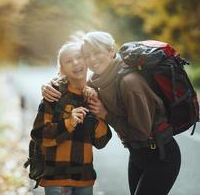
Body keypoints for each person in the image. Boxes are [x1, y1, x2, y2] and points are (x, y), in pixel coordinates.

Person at [41, 31, 181, 195]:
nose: (92, 59)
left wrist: (105, 114)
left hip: (161, 156)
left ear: (111, 51)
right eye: (87, 55)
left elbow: (141, 133)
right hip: (137, 155)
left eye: (97, 52)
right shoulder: (100, 80)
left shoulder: (130, 83)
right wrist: (49, 86)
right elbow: (74, 84)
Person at [31, 41, 111, 195]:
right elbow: (39, 134)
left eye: (79, 57)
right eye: (68, 61)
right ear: (62, 69)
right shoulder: (54, 93)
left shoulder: (95, 95)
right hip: (56, 179)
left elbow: (102, 141)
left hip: (85, 178)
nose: (75, 63)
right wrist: (69, 122)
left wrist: (95, 117)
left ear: (86, 61)